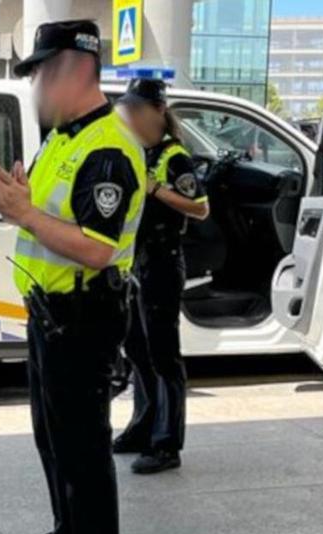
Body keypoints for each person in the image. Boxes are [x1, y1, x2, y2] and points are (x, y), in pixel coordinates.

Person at [0, 19, 146, 534]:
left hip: (84, 316)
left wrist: (24, 213)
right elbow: (48, 216)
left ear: (75, 67)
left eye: (41, 72)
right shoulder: (64, 138)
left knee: (83, 451)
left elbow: (97, 247)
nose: (35, 85)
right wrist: (18, 197)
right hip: (50, 315)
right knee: (54, 440)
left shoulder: (107, 147)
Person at [112, 78, 209, 475]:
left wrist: (155, 190)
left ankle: (167, 444)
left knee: (164, 355)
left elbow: (200, 207)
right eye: (128, 109)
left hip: (164, 264)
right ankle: (143, 426)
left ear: (157, 110)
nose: (131, 116)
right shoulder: (141, 152)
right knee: (138, 350)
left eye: (138, 109)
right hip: (138, 264)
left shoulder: (173, 157)